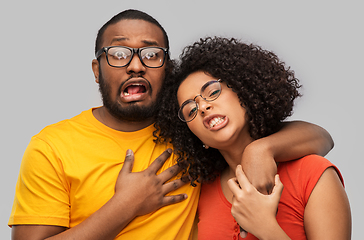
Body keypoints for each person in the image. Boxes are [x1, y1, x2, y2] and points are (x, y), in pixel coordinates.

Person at [9, 10, 334, 240]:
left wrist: (261, 148)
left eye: (151, 55)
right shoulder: (51, 146)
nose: (136, 65)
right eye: (119, 53)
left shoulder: (190, 137)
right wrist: (124, 207)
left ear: (166, 69)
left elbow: (318, 137)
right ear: (97, 69)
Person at [156, 36, 351, 239]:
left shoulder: (313, 175)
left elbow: (324, 137)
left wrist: (266, 228)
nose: (203, 107)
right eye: (190, 110)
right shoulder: (200, 194)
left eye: (212, 92)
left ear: (243, 90)